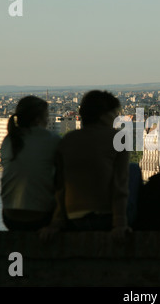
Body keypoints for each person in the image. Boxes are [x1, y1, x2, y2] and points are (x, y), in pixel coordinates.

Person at [41, 90, 130, 238]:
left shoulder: (67, 140)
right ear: (104, 115)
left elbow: (60, 186)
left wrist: (56, 222)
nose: (116, 118)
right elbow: (120, 185)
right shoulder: (118, 138)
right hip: (105, 217)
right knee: (133, 170)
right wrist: (120, 224)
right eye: (114, 114)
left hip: (73, 218)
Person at [0, 96, 61, 231]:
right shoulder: (52, 139)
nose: (48, 120)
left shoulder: (8, 140)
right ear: (38, 119)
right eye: (47, 116)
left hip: (9, 216)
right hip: (40, 217)